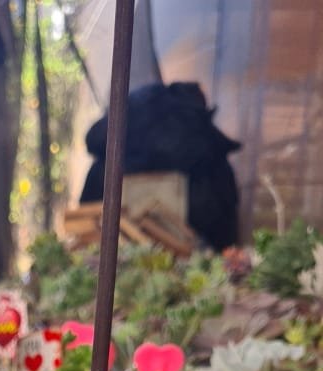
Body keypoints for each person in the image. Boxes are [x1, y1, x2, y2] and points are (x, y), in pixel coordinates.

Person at [80, 81, 241, 251]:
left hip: (113, 253)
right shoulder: (208, 150)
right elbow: (226, 237)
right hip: (195, 253)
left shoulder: (113, 152)